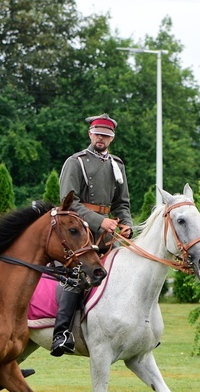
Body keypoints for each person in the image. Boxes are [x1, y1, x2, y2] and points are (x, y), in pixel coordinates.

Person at [51, 113, 133, 357]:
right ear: (90, 134)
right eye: (98, 134)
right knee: (78, 275)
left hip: (108, 236)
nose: (101, 138)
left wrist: (126, 224)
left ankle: (137, 331)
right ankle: (61, 333)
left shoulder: (117, 165)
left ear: (112, 138)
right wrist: (99, 221)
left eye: (106, 136)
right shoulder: (76, 162)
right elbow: (69, 203)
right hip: (80, 233)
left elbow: (123, 204)